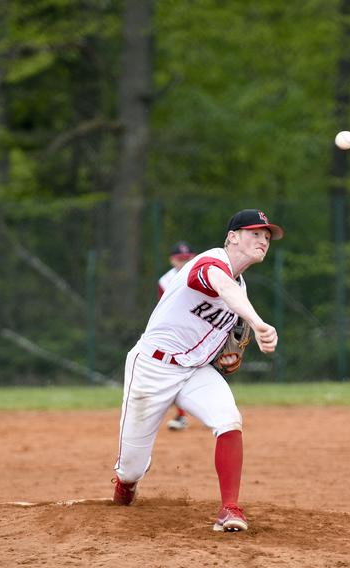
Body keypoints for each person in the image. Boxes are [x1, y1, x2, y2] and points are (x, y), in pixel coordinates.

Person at [112, 209, 284, 533]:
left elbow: (225, 312)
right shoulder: (209, 263)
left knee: (229, 419)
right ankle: (125, 485)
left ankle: (229, 509)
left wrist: (220, 353)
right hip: (152, 367)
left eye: (266, 236)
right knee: (131, 469)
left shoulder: (241, 286)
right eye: (255, 233)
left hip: (194, 371)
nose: (263, 240)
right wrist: (257, 322)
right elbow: (222, 286)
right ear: (232, 237)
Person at [158, 241, 197, 431]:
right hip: (177, 335)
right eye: (180, 259)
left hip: (201, 333)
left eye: (188, 258)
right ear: (172, 260)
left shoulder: (203, 274)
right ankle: (181, 416)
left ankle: (216, 410)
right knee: (173, 374)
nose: (184, 261)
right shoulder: (165, 281)